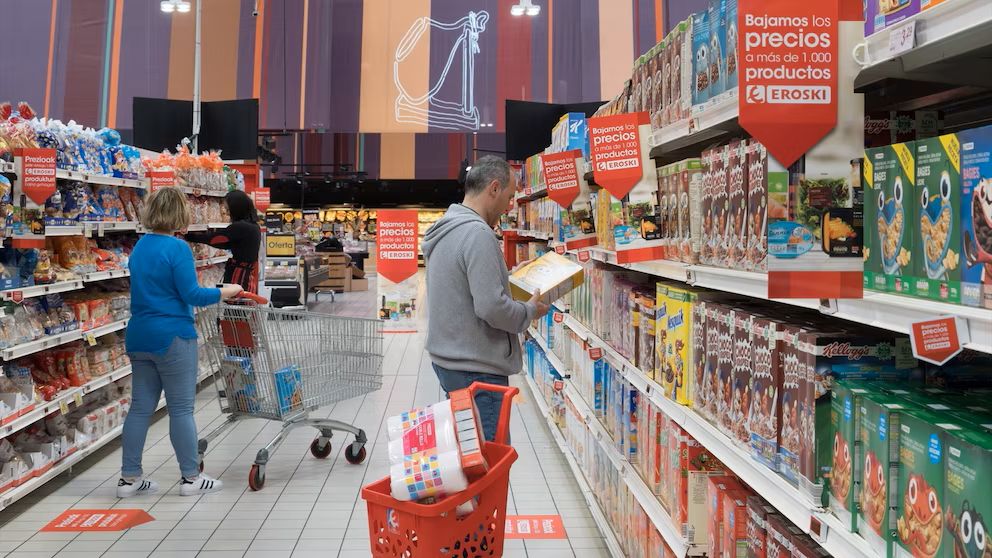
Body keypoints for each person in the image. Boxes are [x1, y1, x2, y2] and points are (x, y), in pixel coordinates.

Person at [119, 188, 243, 498]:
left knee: (139, 410)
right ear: (179, 214)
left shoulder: (139, 247)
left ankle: (129, 478)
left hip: (139, 334)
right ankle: (191, 478)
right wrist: (226, 291)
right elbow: (192, 295)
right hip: (173, 335)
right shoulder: (177, 248)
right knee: (181, 410)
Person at [422, 156, 550, 442]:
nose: (509, 205)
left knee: (469, 456)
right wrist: (529, 310)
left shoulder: (447, 228)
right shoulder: (478, 234)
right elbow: (491, 307)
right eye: (509, 195)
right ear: (494, 188)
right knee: (487, 465)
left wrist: (505, 280)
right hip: (477, 370)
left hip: (451, 361)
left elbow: (464, 289)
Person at [185, 190, 262, 293]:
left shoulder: (240, 227)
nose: (227, 211)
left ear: (236, 208)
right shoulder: (254, 226)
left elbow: (215, 239)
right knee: (241, 306)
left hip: (239, 276)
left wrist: (189, 236)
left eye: (228, 207)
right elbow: (225, 244)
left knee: (235, 305)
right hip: (248, 274)